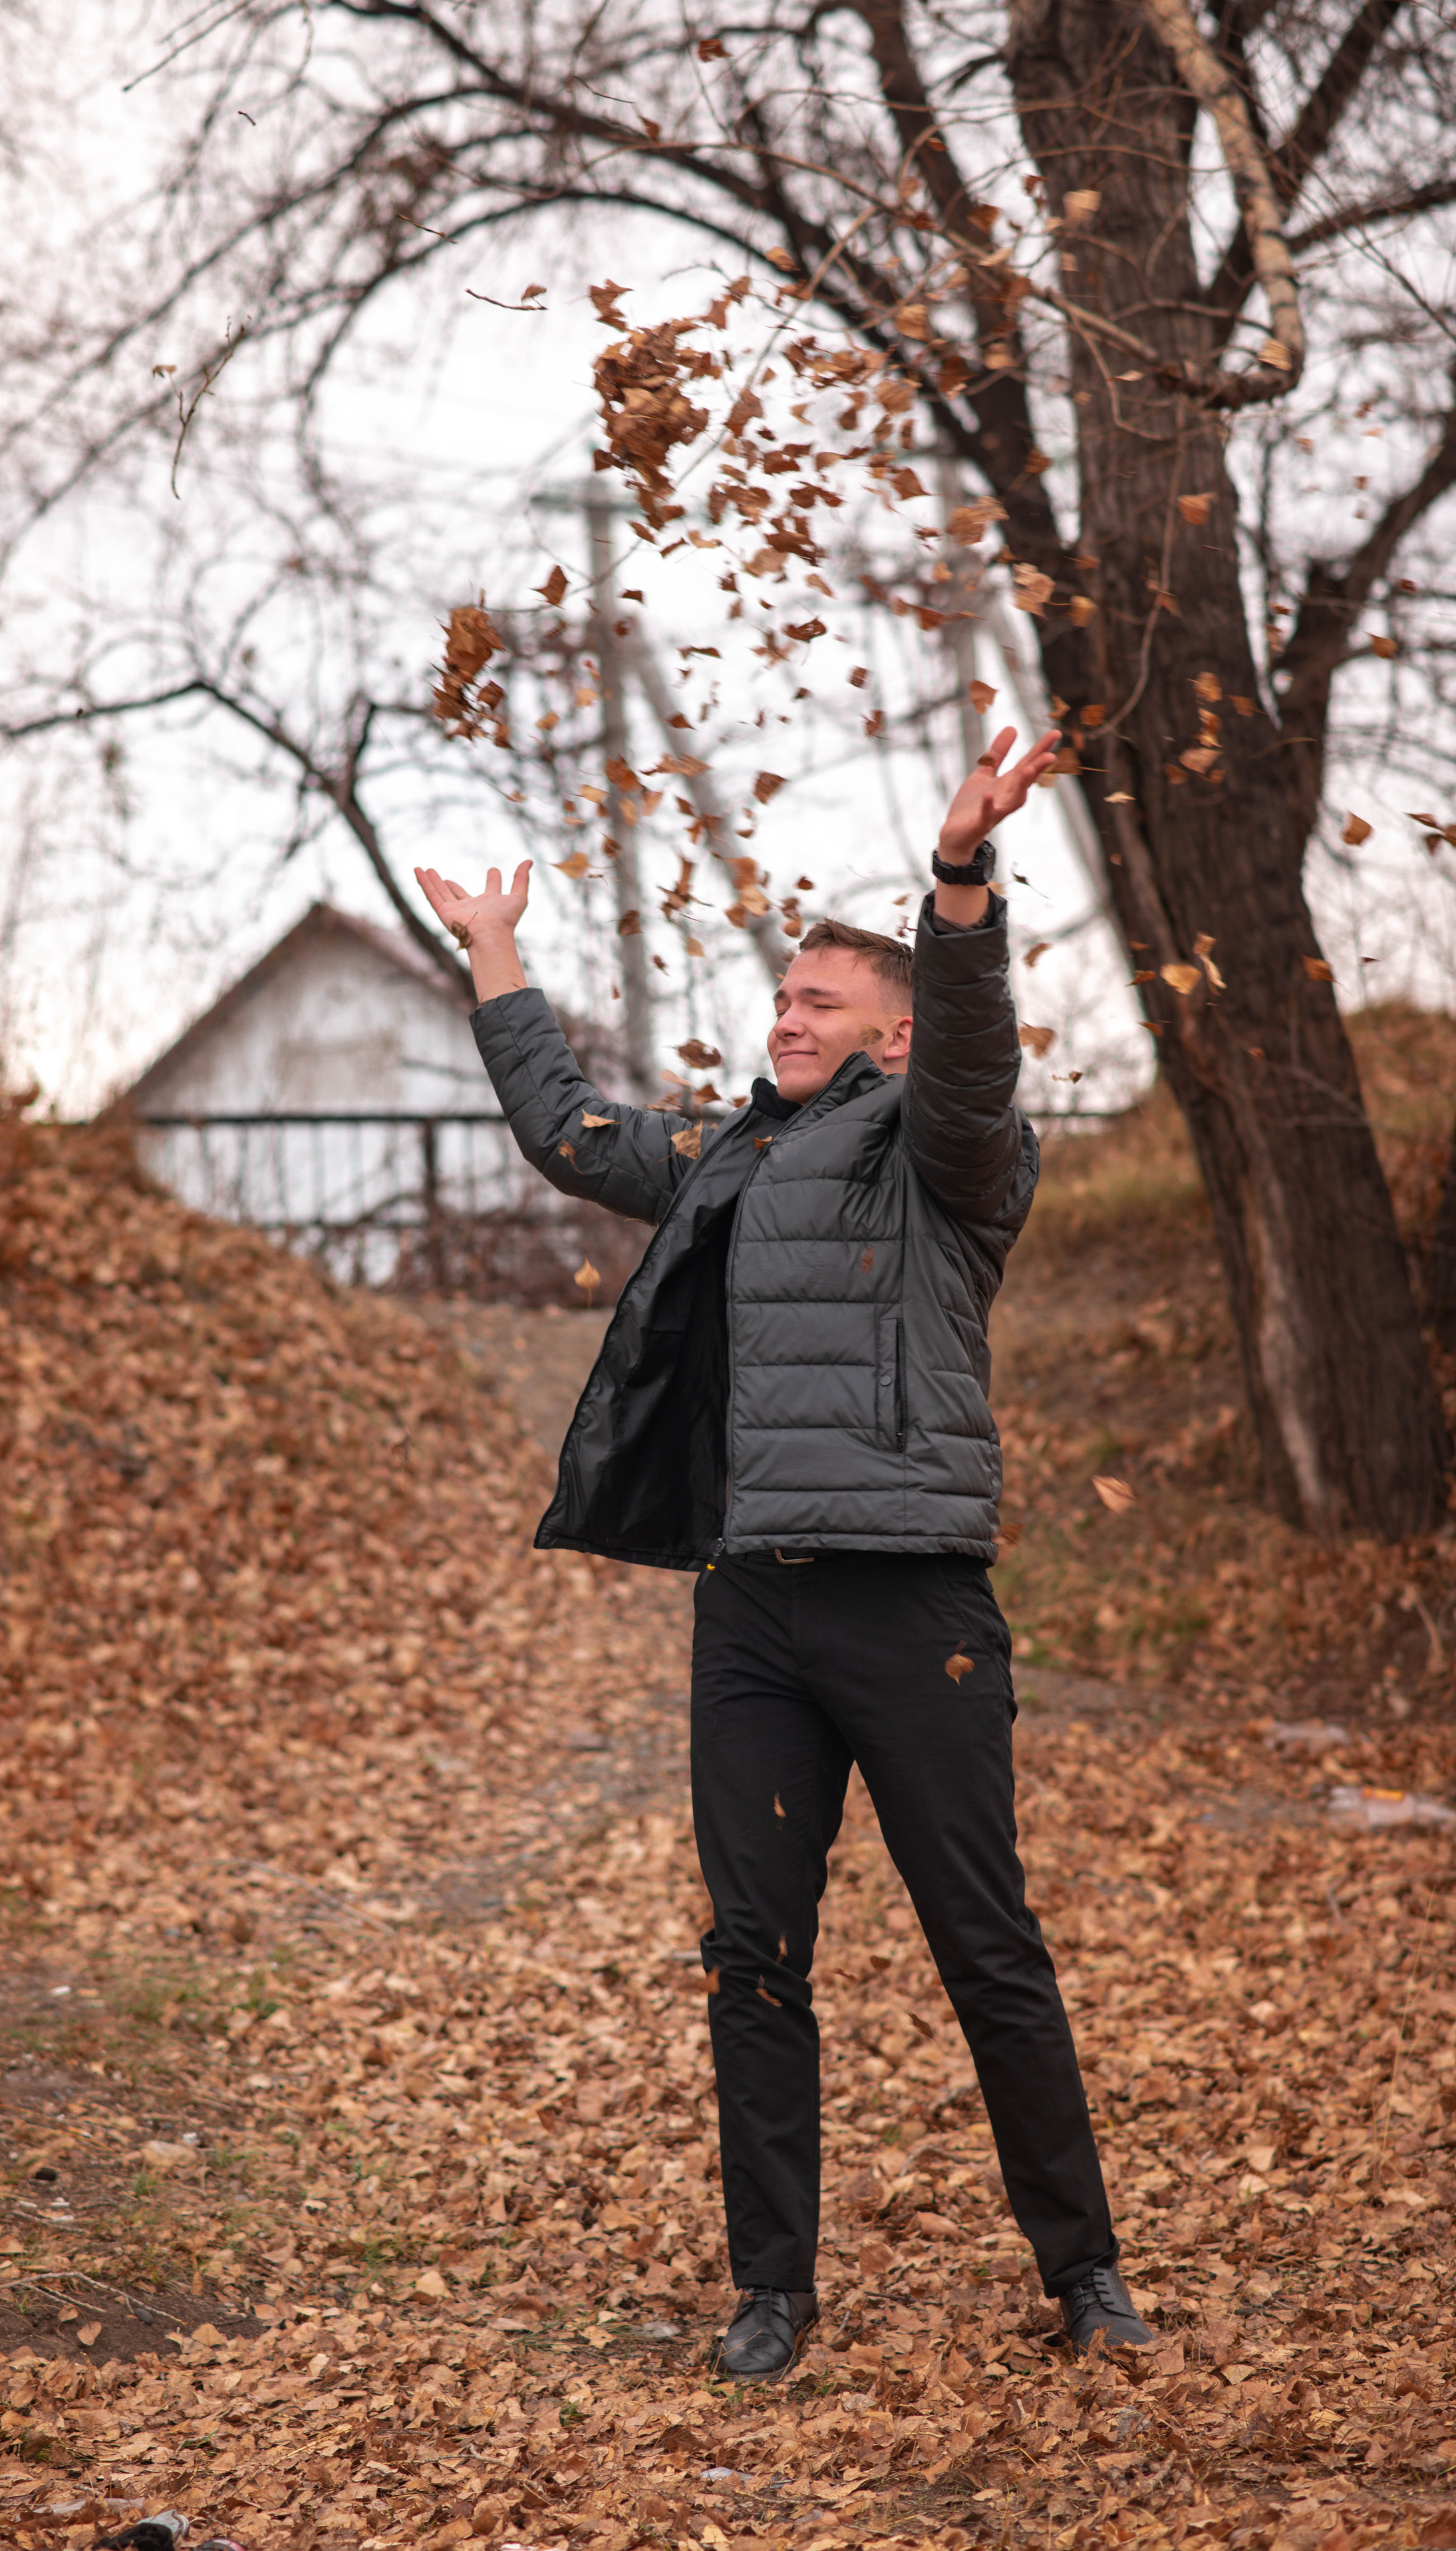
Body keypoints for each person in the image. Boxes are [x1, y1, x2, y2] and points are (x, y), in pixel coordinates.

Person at [414, 727, 1155, 2377]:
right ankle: (772, 2291)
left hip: (912, 1603)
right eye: (780, 999)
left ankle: (1084, 2272)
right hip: (754, 1609)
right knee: (750, 1956)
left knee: (984, 1946)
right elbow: (569, 1133)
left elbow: (971, 1054)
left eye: (819, 1002)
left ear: (892, 1030)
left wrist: (956, 881)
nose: (785, 1017)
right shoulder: (727, 1157)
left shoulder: (951, 1152)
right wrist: (496, 957)